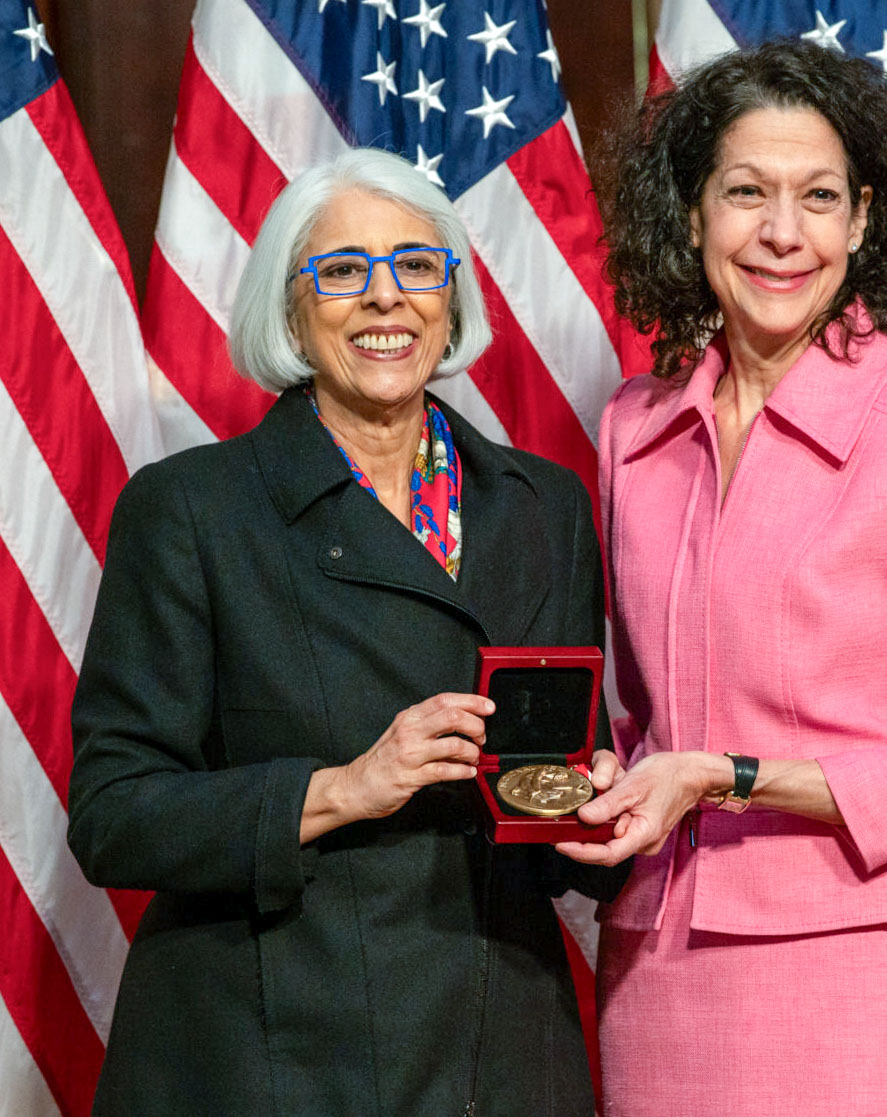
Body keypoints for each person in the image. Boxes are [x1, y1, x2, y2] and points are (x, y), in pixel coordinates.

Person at [68, 147, 625, 1117]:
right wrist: (344, 788)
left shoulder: (546, 507)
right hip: (273, 1051)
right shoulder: (191, 510)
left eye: (416, 266)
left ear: (452, 298)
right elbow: (116, 814)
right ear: (290, 309)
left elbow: (553, 785)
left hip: (499, 1052)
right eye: (341, 271)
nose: (384, 299)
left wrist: (593, 816)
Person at [556, 40, 887, 1116]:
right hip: (658, 975)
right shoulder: (633, 429)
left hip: (864, 972)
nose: (781, 233)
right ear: (690, 216)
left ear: (861, 222)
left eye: (817, 197)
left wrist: (719, 774)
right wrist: (588, 782)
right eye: (745, 193)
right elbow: (639, 723)